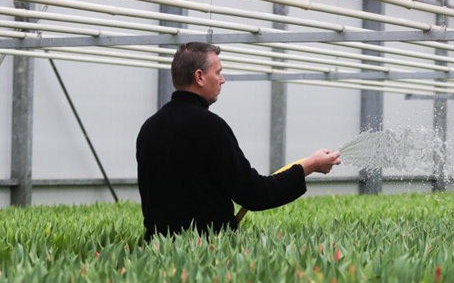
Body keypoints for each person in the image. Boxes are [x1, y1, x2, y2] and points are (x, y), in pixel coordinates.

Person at [136, 42, 340, 241]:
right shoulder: (210, 127)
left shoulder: (148, 128)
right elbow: (254, 194)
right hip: (205, 256)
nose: (222, 80)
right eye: (218, 72)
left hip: (156, 254)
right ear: (199, 77)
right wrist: (309, 165)